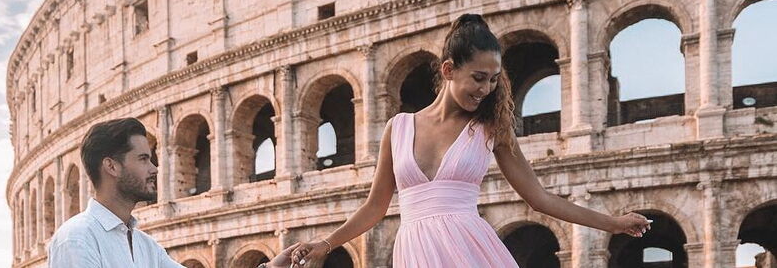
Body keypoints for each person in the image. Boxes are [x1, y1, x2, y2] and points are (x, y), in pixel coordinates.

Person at [290, 14, 651, 267]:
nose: (486, 89)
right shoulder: (396, 128)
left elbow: (539, 198)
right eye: (478, 77)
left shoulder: (492, 128)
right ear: (448, 70)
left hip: (470, 248)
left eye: (493, 79)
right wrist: (325, 244)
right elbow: (375, 208)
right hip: (416, 252)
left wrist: (613, 223)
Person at [48, 117, 298, 268]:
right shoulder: (77, 238)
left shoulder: (145, 246)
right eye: (144, 159)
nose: (154, 168)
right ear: (111, 166)